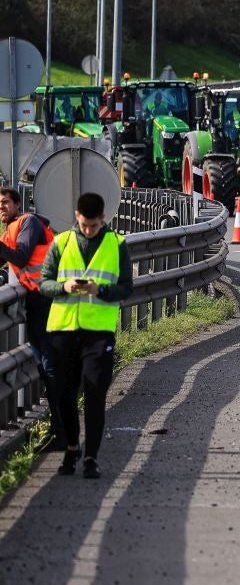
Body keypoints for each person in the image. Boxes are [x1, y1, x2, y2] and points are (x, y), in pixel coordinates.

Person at [39, 191, 133, 478]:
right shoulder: (61, 242)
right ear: (77, 217)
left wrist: (100, 290)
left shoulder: (116, 244)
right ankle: (71, 448)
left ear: (102, 218)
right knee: (63, 394)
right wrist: (64, 287)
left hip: (98, 333)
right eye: (84, 224)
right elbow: (44, 283)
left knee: (94, 394)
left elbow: (126, 288)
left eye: (93, 225)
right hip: (63, 330)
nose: (88, 230)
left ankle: (91, 457)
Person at [0, 188, 61, 450]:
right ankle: (60, 429)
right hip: (36, 302)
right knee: (43, 362)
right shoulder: (10, 231)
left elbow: (22, 256)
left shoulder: (29, 223)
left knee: (48, 364)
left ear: (17, 204)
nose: (1, 207)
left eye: (5, 202)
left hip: (47, 299)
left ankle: (62, 431)